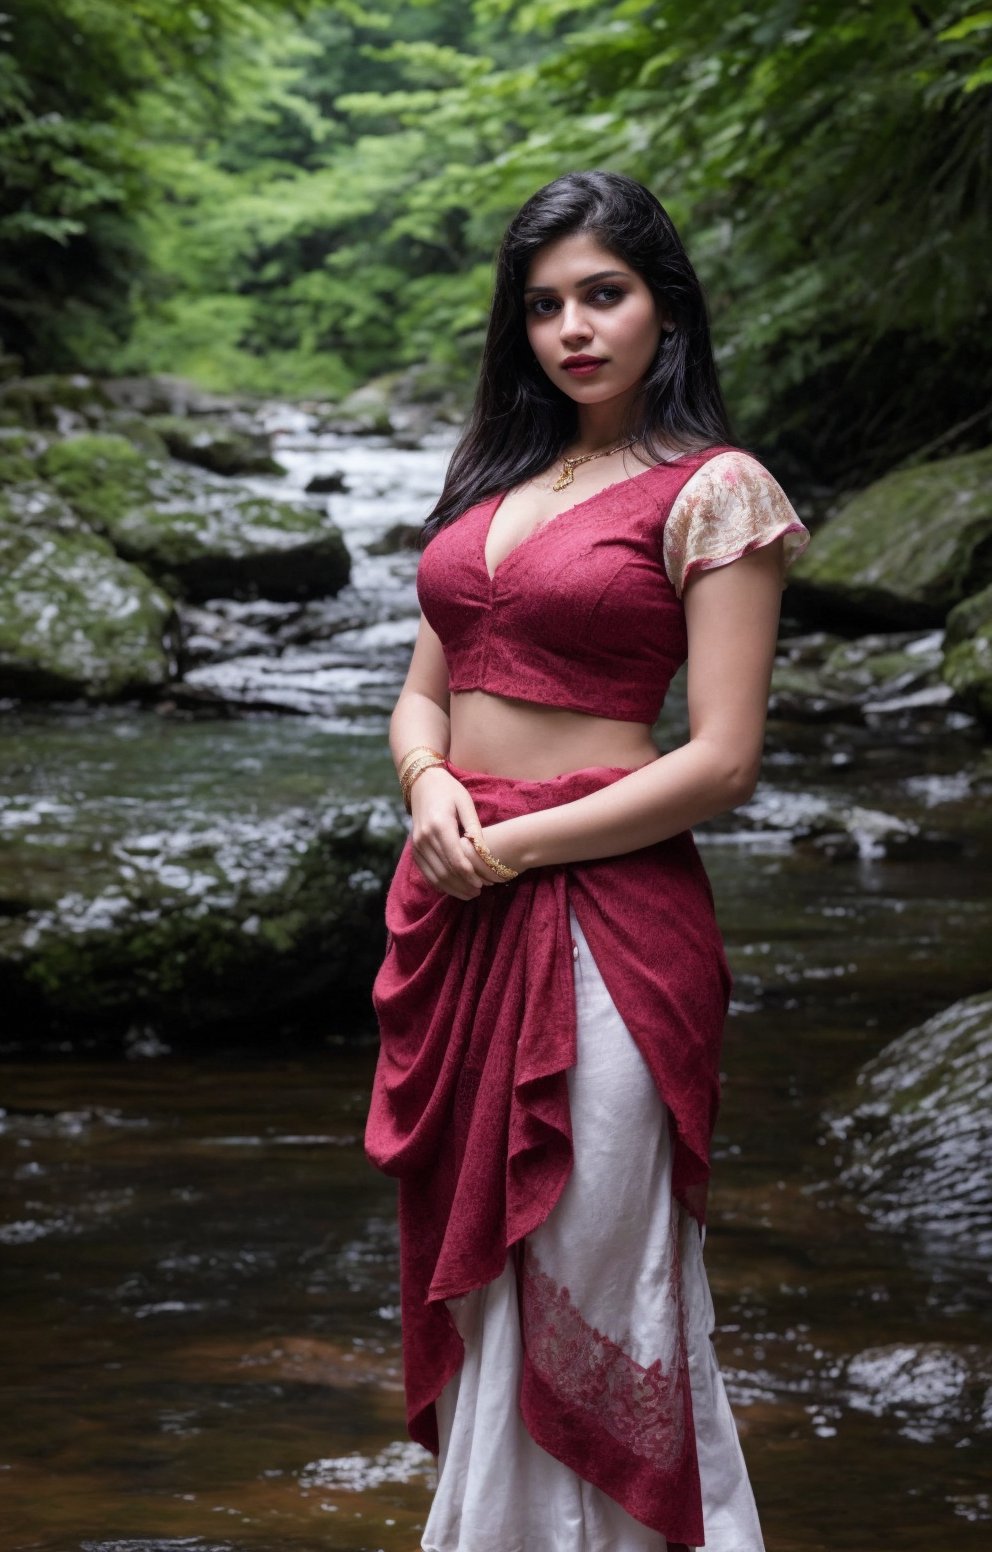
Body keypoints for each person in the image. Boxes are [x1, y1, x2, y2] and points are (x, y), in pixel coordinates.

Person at [365, 169, 810, 1552]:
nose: (573, 327)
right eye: (545, 303)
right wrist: (431, 782)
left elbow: (722, 760)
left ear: (663, 306)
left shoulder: (716, 488)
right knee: (491, 1272)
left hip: (610, 917)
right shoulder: (496, 475)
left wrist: (512, 842)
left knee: (593, 1255)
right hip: (460, 907)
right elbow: (424, 689)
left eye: (603, 294)